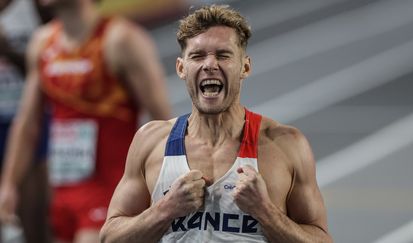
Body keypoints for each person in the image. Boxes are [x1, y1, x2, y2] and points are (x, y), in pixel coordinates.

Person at [100, 4, 333, 243]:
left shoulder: (285, 145)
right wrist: (165, 210)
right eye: (198, 56)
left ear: (245, 66)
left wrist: (265, 212)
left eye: (223, 55)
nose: (210, 65)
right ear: (181, 68)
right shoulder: (151, 142)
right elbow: (110, 238)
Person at [0, 0, 171, 242]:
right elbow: (28, 125)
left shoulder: (121, 40)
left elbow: (164, 122)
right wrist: (8, 186)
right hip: (62, 193)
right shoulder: (43, 42)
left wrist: (162, 189)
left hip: (112, 191)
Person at [0, 0, 52, 242]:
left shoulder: (34, 6)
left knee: (35, 220)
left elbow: (47, 66)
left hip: (26, 118)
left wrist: (8, 50)